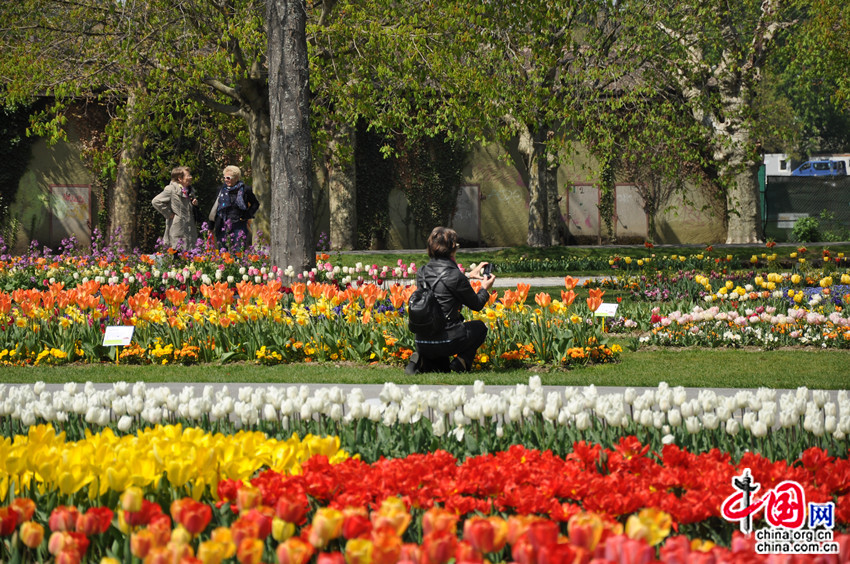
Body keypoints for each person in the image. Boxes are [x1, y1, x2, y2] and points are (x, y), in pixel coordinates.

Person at [405, 226, 495, 375]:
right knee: (480, 327)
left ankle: (420, 359)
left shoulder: (422, 272)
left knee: (441, 369)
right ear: (452, 248)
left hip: (422, 340)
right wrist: (484, 288)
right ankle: (461, 363)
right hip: (447, 340)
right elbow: (477, 305)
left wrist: (467, 275)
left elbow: (440, 287)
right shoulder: (455, 276)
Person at [210, 165, 259, 250]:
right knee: (223, 253)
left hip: (238, 225)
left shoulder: (245, 189)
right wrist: (210, 227)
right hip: (222, 224)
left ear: (236, 178)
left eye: (228, 178)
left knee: (238, 252)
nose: (226, 180)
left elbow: (255, 204)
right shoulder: (221, 190)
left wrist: (247, 215)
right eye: (224, 177)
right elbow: (215, 208)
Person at [152, 166, 199, 250]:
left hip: (190, 228)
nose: (191, 177)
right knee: (177, 253)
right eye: (188, 175)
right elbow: (156, 201)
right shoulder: (171, 189)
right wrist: (169, 214)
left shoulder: (191, 191)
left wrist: (195, 204)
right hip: (178, 228)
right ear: (180, 178)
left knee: (190, 255)